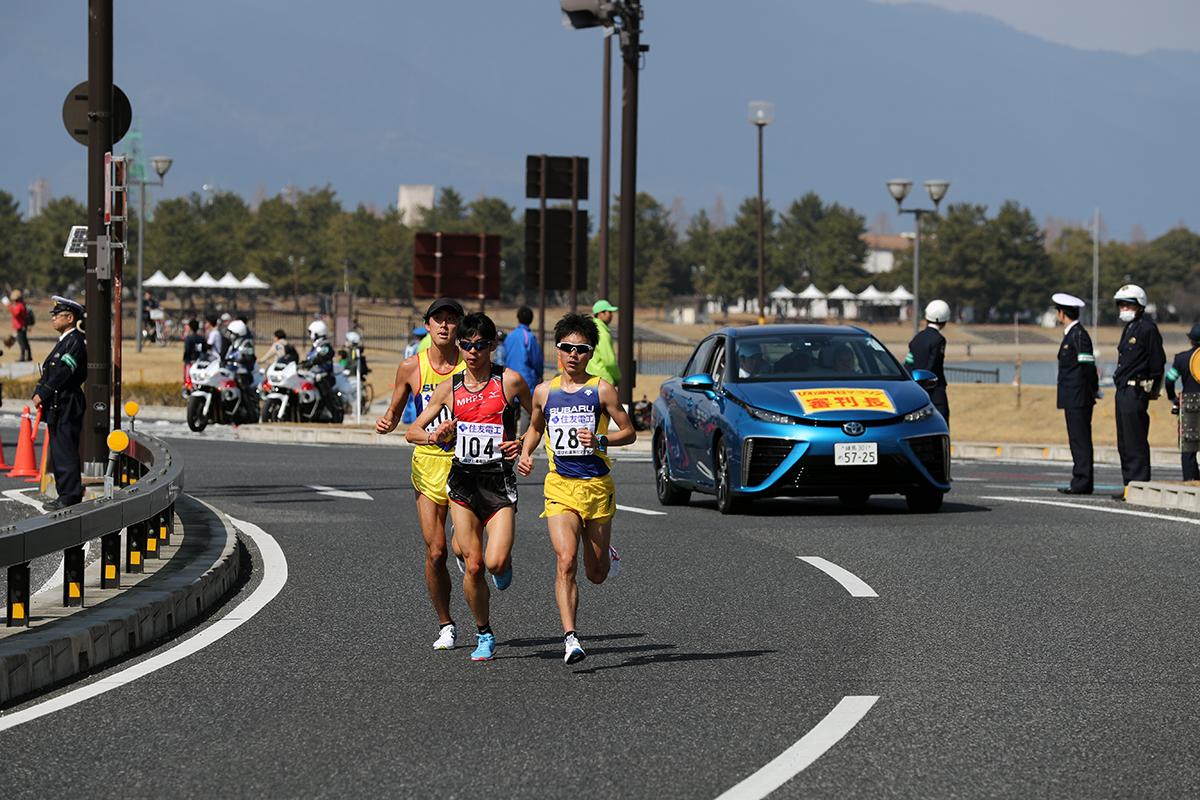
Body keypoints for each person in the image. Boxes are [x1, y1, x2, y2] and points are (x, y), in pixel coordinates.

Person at [406, 311, 532, 662]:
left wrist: (521, 441)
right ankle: (484, 633)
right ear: (459, 346)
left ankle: (503, 567)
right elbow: (412, 431)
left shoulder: (510, 381)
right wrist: (435, 435)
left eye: (480, 345)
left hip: (498, 482)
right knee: (473, 564)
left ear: (492, 346)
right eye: (466, 345)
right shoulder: (450, 387)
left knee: (494, 562)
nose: (472, 351)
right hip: (462, 482)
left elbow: (541, 413)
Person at [517, 313, 637, 665]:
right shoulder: (544, 392)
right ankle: (571, 637)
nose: (573, 355)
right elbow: (535, 428)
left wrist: (602, 438)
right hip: (560, 487)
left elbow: (628, 431)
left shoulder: (601, 389)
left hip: (597, 487)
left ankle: (606, 556)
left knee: (595, 574)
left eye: (581, 349)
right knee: (565, 559)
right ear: (557, 350)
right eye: (567, 348)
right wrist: (525, 452)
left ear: (589, 353)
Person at [376, 298, 467, 651]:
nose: (444, 326)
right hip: (428, 462)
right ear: (427, 326)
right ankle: (445, 624)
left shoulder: (470, 364)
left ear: (459, 326)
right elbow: (396, 411)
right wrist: (387, 422)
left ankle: (465, 545)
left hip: (465, 464)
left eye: (451, 320)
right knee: (435, 552)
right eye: (438, 320)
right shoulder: (411, 367)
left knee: (460, 547)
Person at [1111, 284, 1165, 498]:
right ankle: (1129, 486)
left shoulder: (1147, 328)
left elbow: (1157, 362)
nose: (1124, 308)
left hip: (1136, 390)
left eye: (1128, 304)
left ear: (1140, 305)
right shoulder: (1131, 327)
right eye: (1121, 304)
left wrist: (1150, 391)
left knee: (1135, 440)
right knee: (1124, 441)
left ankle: (1140, 486)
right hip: (1123, 390)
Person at [33, 296, 87, 509]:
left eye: (57, 315)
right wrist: (40, 390)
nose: (53, 319)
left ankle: (70, 495)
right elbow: (50, 371)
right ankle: (65, 492)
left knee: (65, 449)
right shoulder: (65, 341)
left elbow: (64, 372)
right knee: (59, 449)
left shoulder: (74, 342)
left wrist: (43, 393)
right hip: (58, 402)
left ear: (70, 317)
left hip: (68, 401)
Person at [1052, 293, 1098, 495]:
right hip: (1073, 396)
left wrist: (1092, 390)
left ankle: (1082, 481)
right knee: (1076, 439)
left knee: (1080, 439)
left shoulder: (1078, 335)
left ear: (1062, 313)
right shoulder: (1071, 335)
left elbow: (1088, 367)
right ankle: (1079, 478)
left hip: (1079, 396)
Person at [1164, 323, 1200, 481]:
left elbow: (1169, 380)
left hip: (1189, 403)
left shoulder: (1181, 359)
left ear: (1191, 340)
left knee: (1189, 448)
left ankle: (1191, 481)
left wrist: (1173, 398)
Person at [905, 299, 951, 425]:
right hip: (935, 390)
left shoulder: (917, 337)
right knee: (941, 422)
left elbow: (908, 362)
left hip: (916, 388)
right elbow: (934, 364)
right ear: (945, 320)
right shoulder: (939, 340)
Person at [503, 306, 544, 434]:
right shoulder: (529, 337)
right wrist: (539, 374)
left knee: (511, 409)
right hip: (527, 379)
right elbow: (536, 359)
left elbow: (504, 356)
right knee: (526, 411)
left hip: (509, 378)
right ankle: (522, 439)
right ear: (531, 319)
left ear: (518, 318)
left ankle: (510, 438)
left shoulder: (510, 336)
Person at [301, 320, 340, 422]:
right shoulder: (315, 346)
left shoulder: (325, 345)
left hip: (324, 376)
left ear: (316, 333)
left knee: (325, 392)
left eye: (311, 333)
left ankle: (334, 414)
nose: (310, 335)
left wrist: (312, 362)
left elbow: (322, 356)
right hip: (312, 375)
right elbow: (310, 359)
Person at [587, 299, 621, 388]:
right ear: (600, 313)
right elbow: (609, 361)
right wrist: (617, 377)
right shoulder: (602, 333)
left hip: (589, 377)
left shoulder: (589, 329)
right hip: (604, 378)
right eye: (609, 312)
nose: (611, 315)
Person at [224, 319, 257, 397]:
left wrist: (241, 360)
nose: (229, 335)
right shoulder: (232, 345)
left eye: (231, 333)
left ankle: (249, 406)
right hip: (230, 372)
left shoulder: (246, 344)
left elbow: (250, 358)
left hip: (243, 374)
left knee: (243, 391)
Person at [9, 290, 32, 362]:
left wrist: (10, 307)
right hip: (21, 326)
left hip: (20, 326)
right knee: (24, 341)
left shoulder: (20, 305)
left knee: (21, 342)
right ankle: (29, 356)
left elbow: (16, 313)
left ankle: (23, 357)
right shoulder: (22, 305)